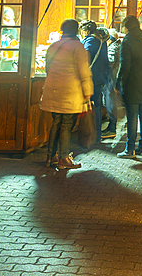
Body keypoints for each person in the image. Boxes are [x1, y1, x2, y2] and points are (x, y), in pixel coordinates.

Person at [40, 18, 93, 170]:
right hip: (70, 92)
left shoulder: (54, 46)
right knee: (66, 125)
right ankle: (64, 158)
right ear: (76, 30)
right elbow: (84, 72)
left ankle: (51, 156)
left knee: (56, 123)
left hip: (53, 90)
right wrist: (88, 93)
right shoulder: (78, 47)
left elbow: (47, 68)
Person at [116, 15, 142, 158]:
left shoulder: (127, 41)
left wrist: (119, 82)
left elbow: (125, 65)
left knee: (132, 117)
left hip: (132, 83)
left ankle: (130, 149)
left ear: (126, 27)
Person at [81, 20, 111, 143]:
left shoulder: (90, 41)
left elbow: (85, 57)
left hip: (91, 78)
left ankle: (91, 135)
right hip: (99, 77)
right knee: (97, 106)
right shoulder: (101, 41)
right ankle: (96, 134)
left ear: (87, 31)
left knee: (92, 107)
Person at [103, 28, 121, 138]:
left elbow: (109, 63)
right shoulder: (117, 46)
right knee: (111, 103)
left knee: (110, 103)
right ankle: (111, 127)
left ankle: (112, 128)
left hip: (111, 80)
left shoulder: (112, 48)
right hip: (113, 80)